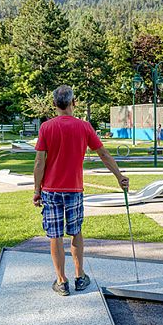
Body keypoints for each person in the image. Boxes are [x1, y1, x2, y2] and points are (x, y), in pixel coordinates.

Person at [33, 85, 129, 296]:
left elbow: (40, 162)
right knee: (75, 232)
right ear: (73, 103)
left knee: (55, 236)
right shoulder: (84, 127)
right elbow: (103, 154)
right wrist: (119, 176)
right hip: (74, 189)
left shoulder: (46, 128)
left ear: (54, 105)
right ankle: (79, 276)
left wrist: (36, 190)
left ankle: (61, 281)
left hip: (50, 190)